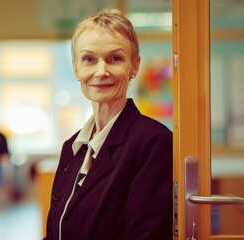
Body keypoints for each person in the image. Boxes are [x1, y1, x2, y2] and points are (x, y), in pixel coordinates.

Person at [44, 9, 173, 240]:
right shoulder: (72, 147)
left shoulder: (153, 143)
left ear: (134, 66)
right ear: (76, 68)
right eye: (89, 59)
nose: (101, 72)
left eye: (115, 58)